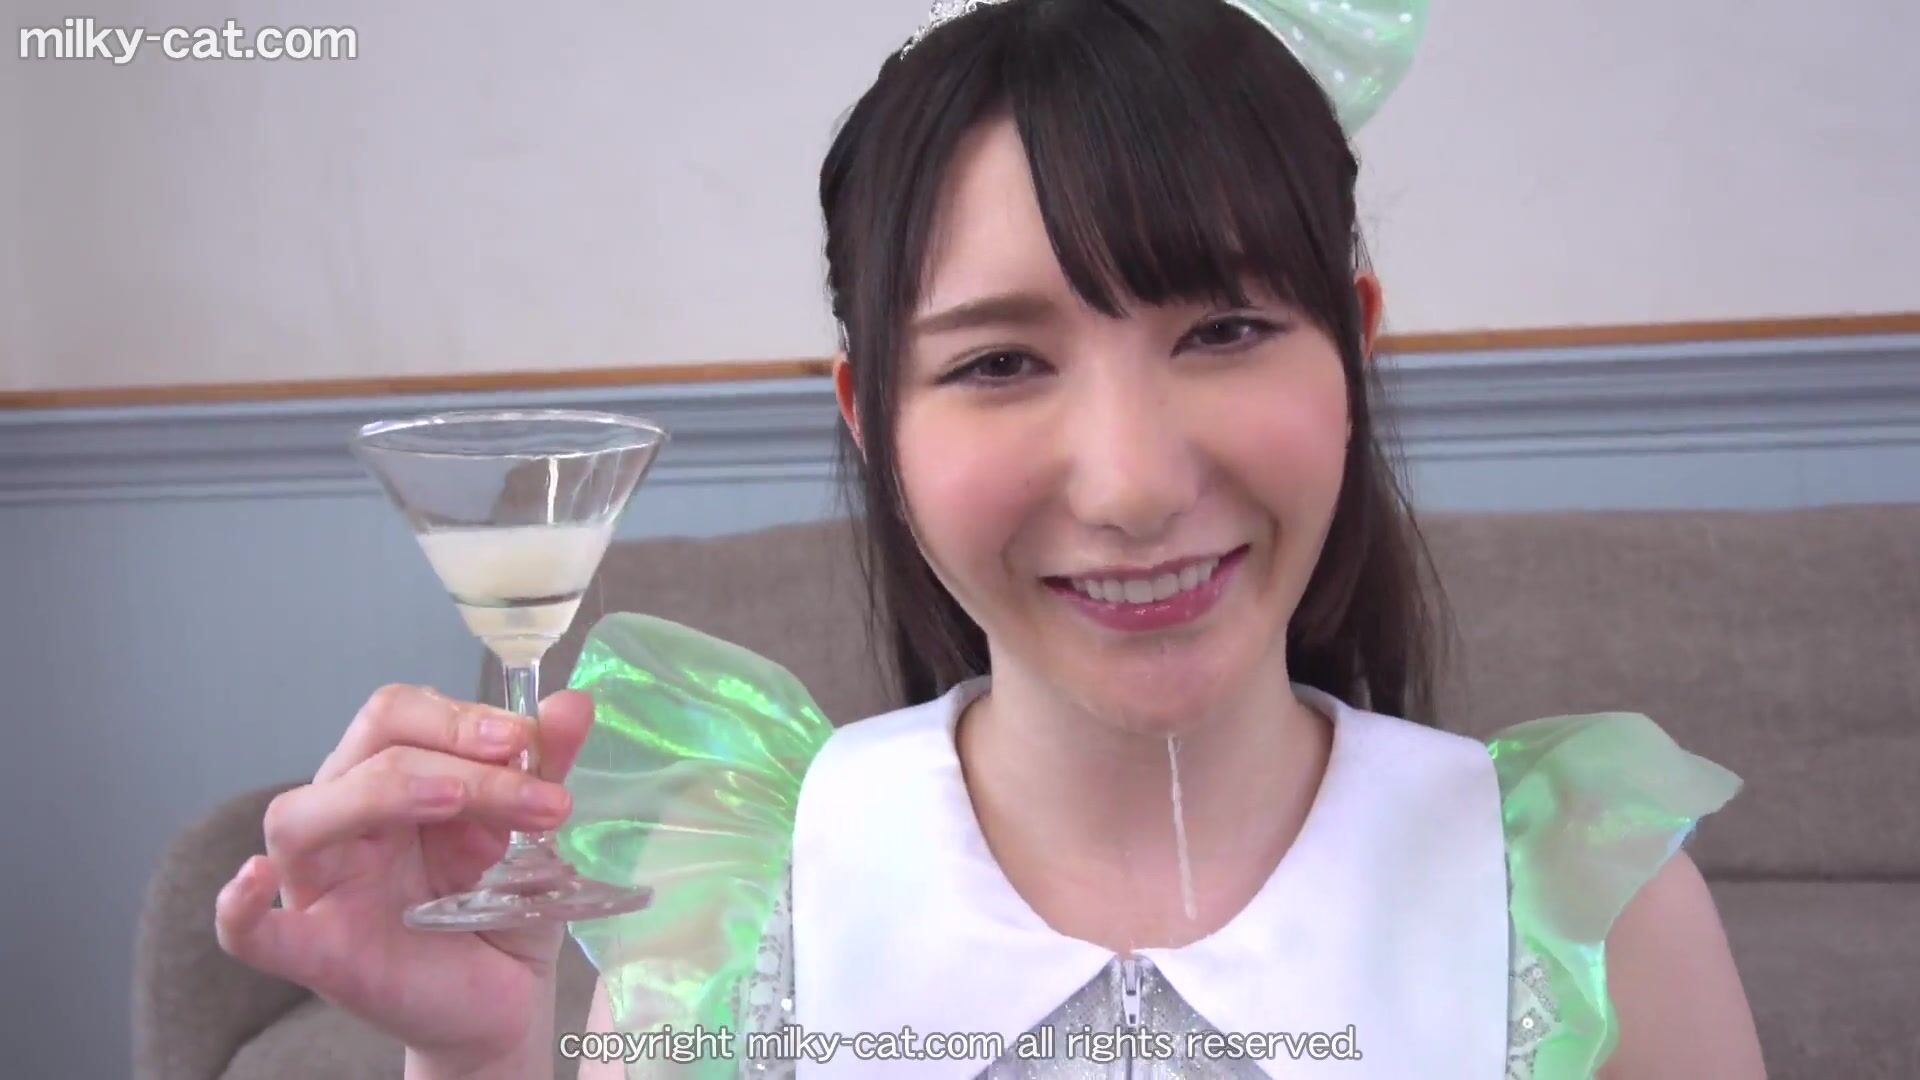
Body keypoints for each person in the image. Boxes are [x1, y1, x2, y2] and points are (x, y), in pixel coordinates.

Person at [214, 0, 1768, 1076]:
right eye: (1002, 361)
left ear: (1352, 348)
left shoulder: (1587, 915)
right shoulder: (733, 907)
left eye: (1225, 329)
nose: (1133, 483)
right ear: (868, 416)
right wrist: (474, 1057)